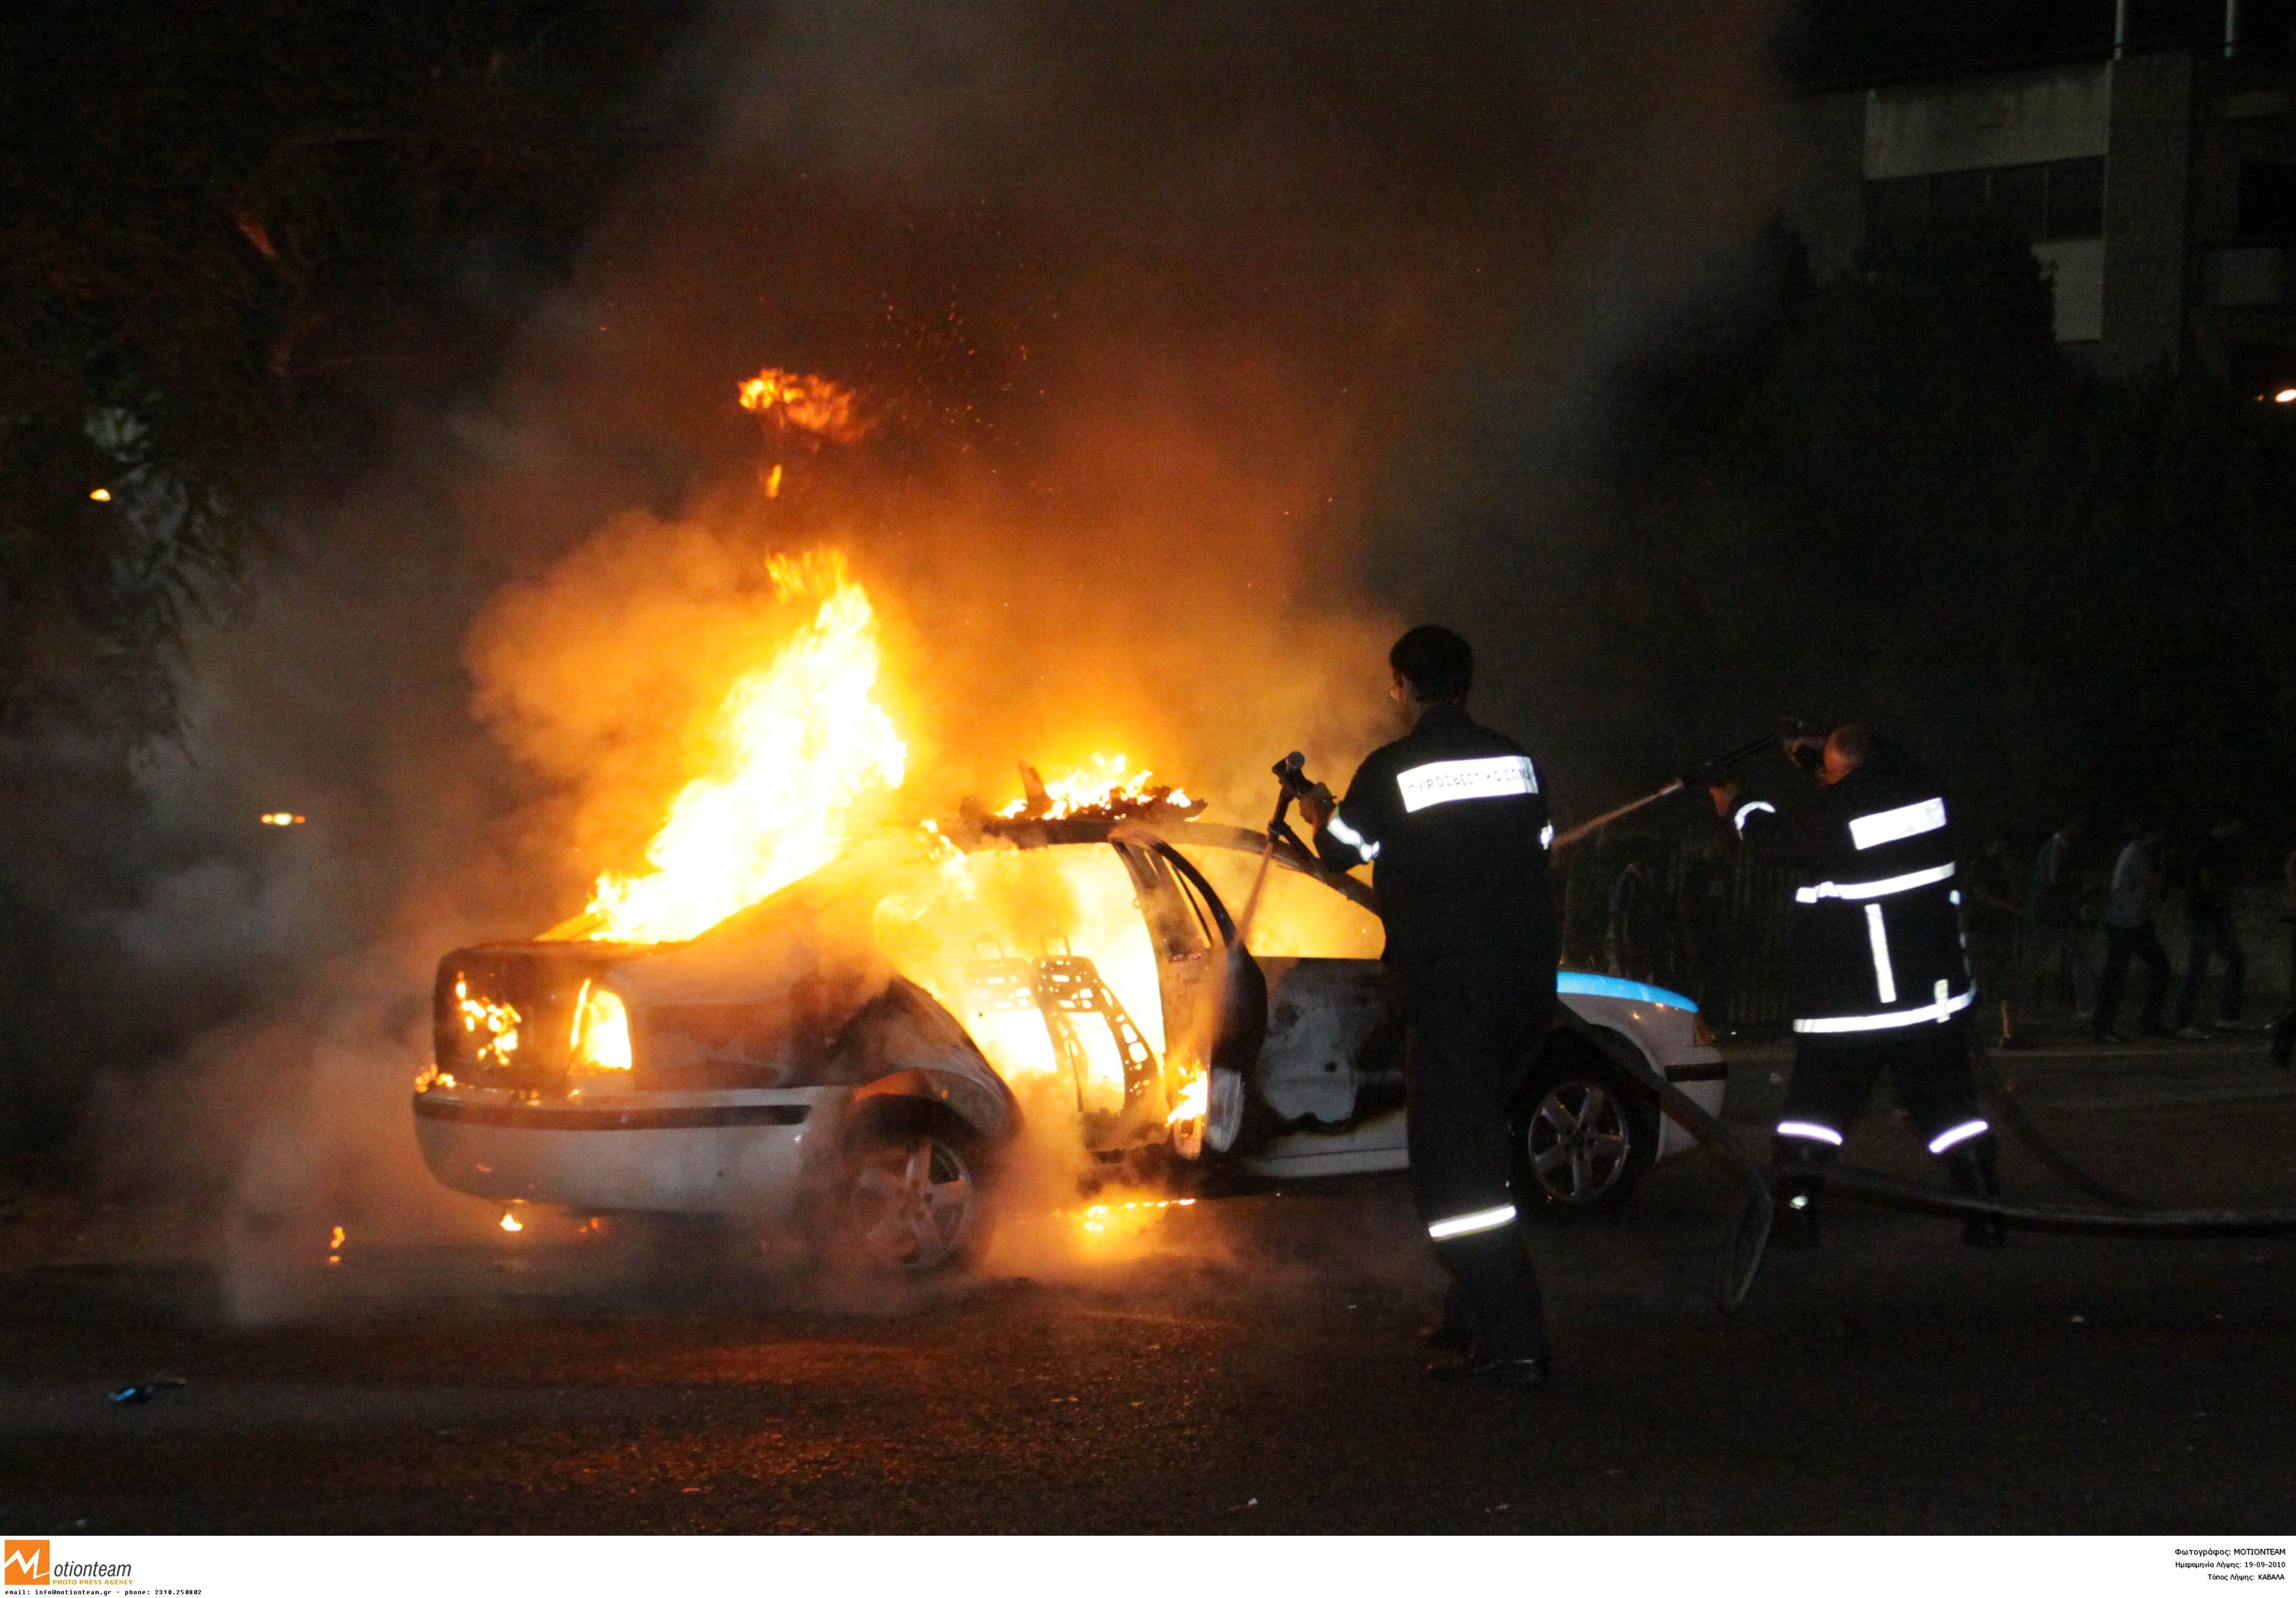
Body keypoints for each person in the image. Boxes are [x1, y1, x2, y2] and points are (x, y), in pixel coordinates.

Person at [1301, 624, 1558, 1388]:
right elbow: (1529, 845)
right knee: (1478, 1150)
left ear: (1403, 685)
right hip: (1522, 990)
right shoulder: (1517, 761)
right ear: (1466, 685)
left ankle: (1516, 1345)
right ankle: (1472, 1311)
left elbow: (1343, 848)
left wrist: (1322, 813)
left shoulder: (1391, 767)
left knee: (1455, 1182)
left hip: (1450, 996)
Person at [1710, 724, 2003, 1249]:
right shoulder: (1920, 787)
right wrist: (1813, 759)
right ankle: (1988, 1214)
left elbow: (1780, 840)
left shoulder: (1841, 817)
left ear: (1845, 773)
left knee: (1813, 1116)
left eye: (1829, 768)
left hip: (1859, 1003)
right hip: (1930, 997)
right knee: (1951, 1111)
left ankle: (1796, 1218)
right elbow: (1870, 770)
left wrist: (1737, 804)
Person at [2094, 818, 2173, 1044]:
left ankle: (2148, 1023)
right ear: (2150, 835)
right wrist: (2165, 866)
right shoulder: (2137, 854)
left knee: (2159, 968)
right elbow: (2156, 884)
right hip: (2123, 924)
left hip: (2135, 923)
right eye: (2159, 834)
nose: (2163, 839)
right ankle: (2103, 1028)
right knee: (2116, 975)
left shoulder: (2140, 853)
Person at [2171, 817, 2251, 1039]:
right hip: (2204, 918)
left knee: (2235, 960)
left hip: (2209, 917)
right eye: (2238, 823)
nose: (2241, 828)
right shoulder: (2209, 848)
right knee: (2198, 968)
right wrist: (2220, 912)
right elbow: (2208, 885)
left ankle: (2228, 1017)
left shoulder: (2213, 847)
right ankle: (2183, 1022)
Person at [2022, 817, 2091, 1018]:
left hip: (2054, 915)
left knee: (2036, 961)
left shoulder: (2055, 849)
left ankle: (2020, 1005)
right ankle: (2084, 1007)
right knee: (2037, 960)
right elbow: (2054, 881)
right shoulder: (2056, 849)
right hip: (2053, 915)